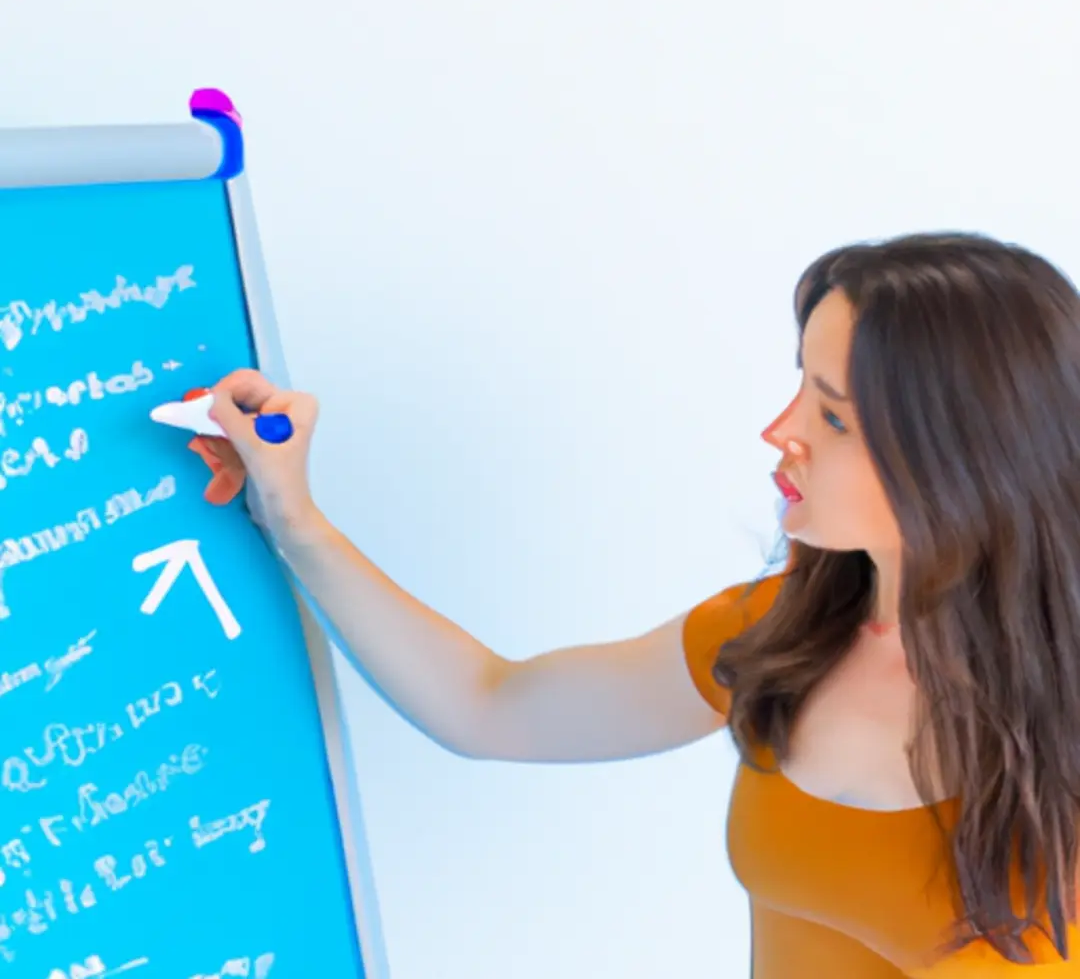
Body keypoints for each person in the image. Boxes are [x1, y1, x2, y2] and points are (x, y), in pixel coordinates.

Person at [191, 232, 1080, 977]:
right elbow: (488, 707)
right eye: (799, 384)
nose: (781, 431)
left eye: (834, 416)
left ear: (969, 459)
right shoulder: (779, 633)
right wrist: (293, 518)